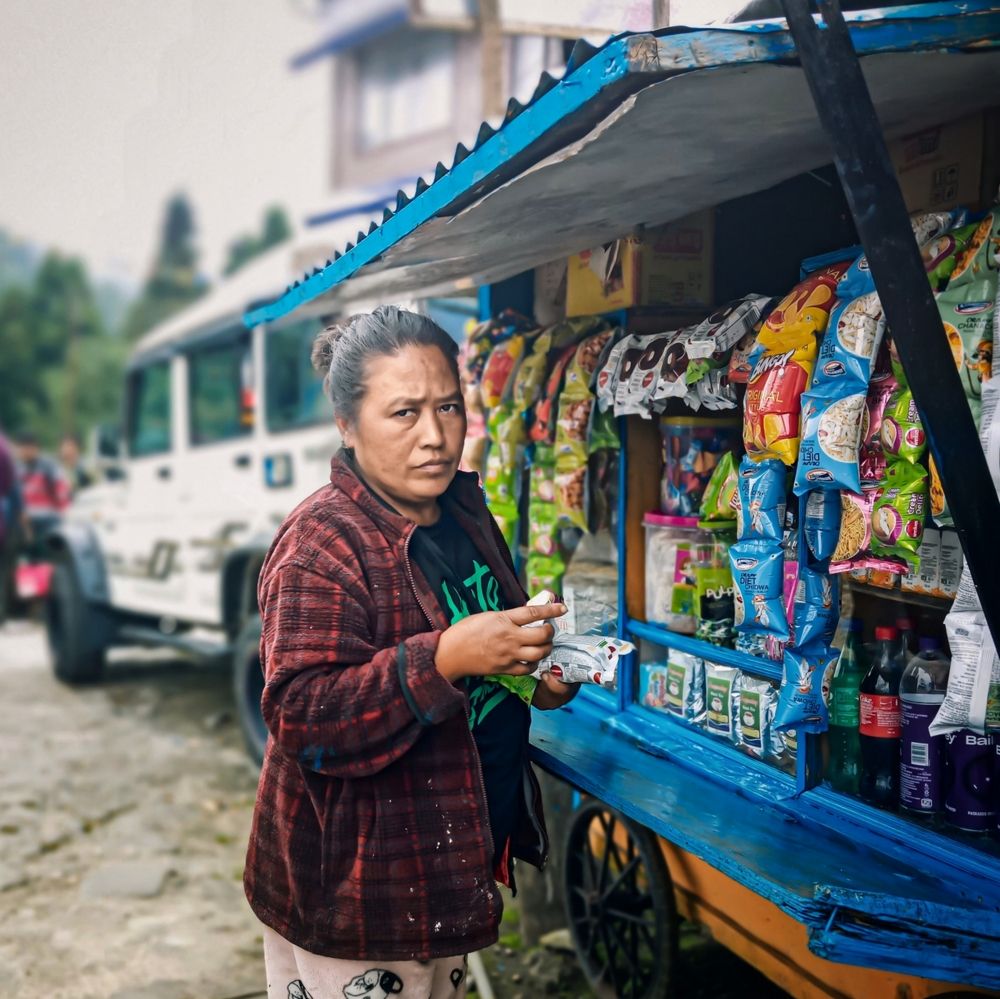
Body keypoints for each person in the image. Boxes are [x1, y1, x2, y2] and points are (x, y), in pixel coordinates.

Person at [245, 306, 578, 999]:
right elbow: (302, 712)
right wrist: (445, 658)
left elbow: (491, 644)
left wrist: (534, 673)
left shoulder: (462, 509)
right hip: (363, 891)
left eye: (449, 406)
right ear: (347, 424)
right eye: (403, 413)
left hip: (449, 857)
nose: (435, 435)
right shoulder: (321, 544)